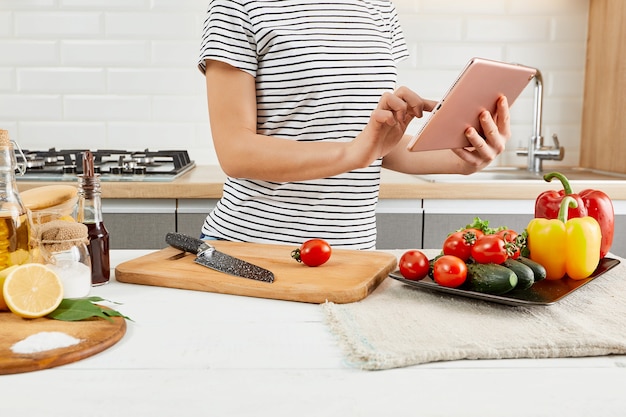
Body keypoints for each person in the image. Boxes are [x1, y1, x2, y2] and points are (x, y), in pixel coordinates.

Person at [197, 0, 511, 249]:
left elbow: (371, 144)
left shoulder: (376, 6)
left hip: (351, 256)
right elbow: (235, 151)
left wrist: (459, 158)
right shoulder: (237, 5)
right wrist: (353, 153)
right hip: (252, 251)